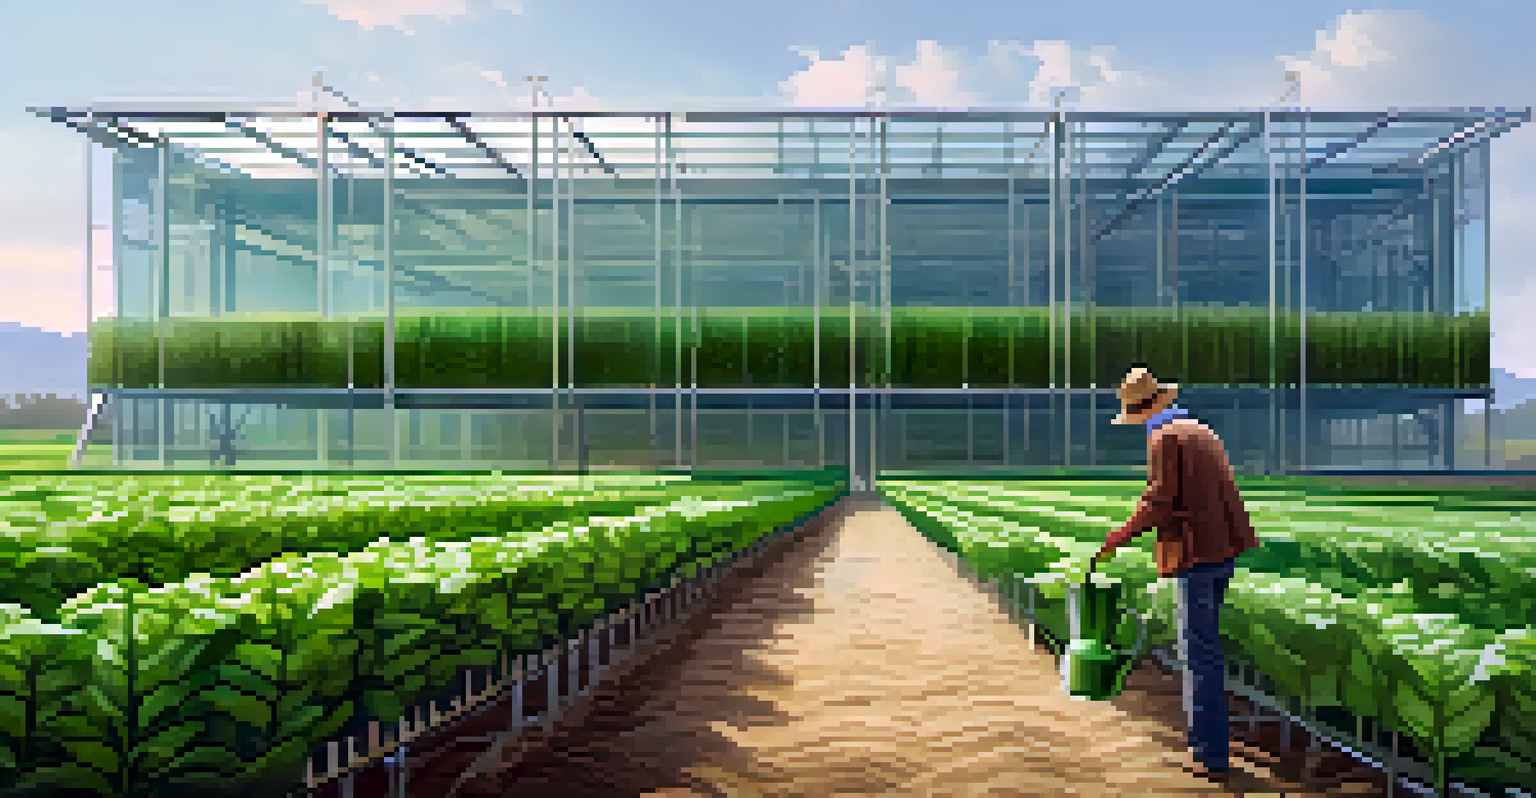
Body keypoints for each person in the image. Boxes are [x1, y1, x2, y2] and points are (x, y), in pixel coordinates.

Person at [1090, 367, 1260, 781]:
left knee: (1198, 655)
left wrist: (1117, 537)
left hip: (1196, 554)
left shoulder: (1163, 438)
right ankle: (1212, 745)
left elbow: (1159, 500)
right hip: (1224, 550)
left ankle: (1208, 754)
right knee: (1207, 650)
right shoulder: (1200, 430)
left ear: (1143, 410)